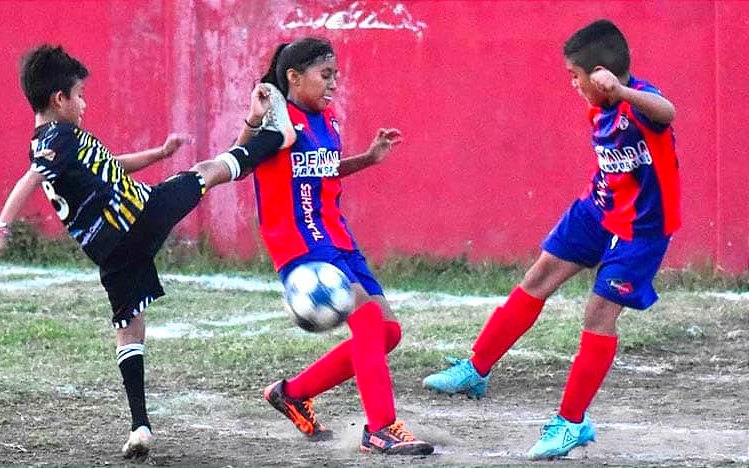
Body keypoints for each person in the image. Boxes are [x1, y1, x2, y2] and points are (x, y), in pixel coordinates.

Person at [0, 44, 293, 459]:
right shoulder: (58, 138)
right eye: (79, 95)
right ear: (60, 99)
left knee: (128, 329)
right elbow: (30, 179)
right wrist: (0, 228)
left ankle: (140, 426)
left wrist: (159, 155)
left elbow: (110, 164)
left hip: (111, 252)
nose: (84, 103)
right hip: (140, 216)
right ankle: (276, 136)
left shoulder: (50, 141)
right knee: (205, 172)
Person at [422, 19, 680, 460]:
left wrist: (621, 92)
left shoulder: (635, 103)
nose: (572, 85)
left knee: (598, 313)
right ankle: (476, 369)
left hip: (642, 227)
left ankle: (570, 424)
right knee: (538, 277)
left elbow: (667, 112)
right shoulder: (596, 104)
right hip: (597, 206)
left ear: (601, 74)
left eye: (575, 77)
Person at [237, 37, 433, 456]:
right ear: (294, 77)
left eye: (335, 76)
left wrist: (368, 158)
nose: (333, 84)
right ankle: (380, 429)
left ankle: (291, 393)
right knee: (366, 321)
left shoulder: (328, 121)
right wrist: (253, 122)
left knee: (387, 331)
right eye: (325, 75)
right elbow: (241, 163)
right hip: (298, 241)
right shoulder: (277, 120)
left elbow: (324, 171)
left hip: (336, 236)